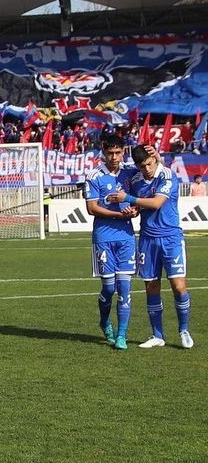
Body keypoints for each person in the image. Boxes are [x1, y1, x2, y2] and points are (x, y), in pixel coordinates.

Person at [107, 145, 194, 349]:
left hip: (171, 238)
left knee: (178, 286)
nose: (147, 169)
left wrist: (127, 198)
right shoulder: (136, 180)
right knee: (151, 287)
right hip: (147, 239)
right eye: (142, 166)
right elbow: (139, 205)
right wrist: (132, 210)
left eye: (149, 164)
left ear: (154, 159)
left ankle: (184, 330)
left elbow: (156, 203)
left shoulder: (167, 175)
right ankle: (157, 335)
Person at [83, 136, 139, 349]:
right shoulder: (94, 176)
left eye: (118, 153)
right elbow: (92, 208)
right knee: (108, 287)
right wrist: (119, 215)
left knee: (124, 287)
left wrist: (135, 210)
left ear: (123, 151)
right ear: (103, 152)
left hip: (126, 237)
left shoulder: (131, 172)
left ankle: (122, 335)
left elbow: (140, 198)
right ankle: (105, 322)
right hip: (104, 238)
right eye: (110, 153)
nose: (114, 157)